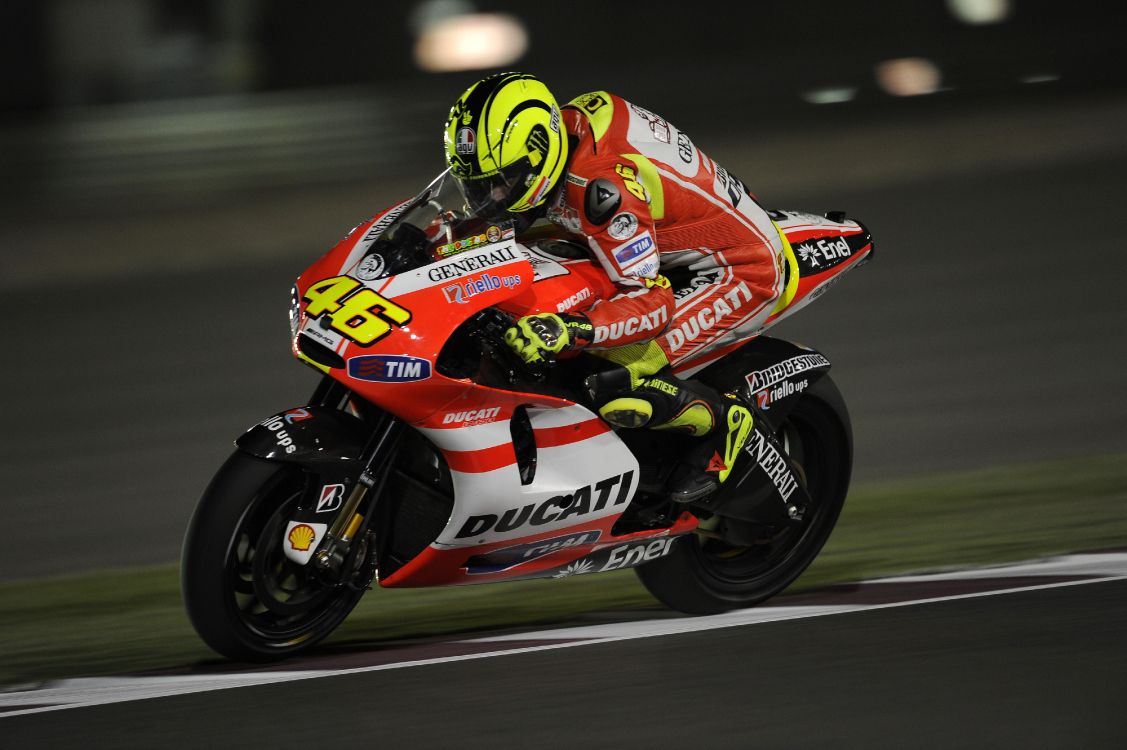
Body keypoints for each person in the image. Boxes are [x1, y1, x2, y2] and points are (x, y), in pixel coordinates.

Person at [443, 72, 788, 503]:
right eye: (477, 186)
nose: (491, 198)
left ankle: (726, 422)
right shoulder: (561, 135)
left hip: (738, 269)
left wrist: (570, 329)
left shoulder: (601, 188)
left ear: (539, 151)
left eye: (503, 182)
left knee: (610, 379)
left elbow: (651, 301)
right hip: (671, 244)